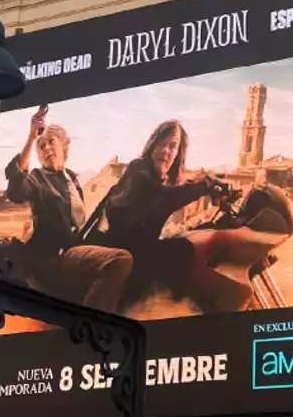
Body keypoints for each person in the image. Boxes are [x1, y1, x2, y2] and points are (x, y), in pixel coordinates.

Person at [0, 107, 134, 312]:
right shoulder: (38, 177)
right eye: (41, 146)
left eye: (50, 142)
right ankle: (90, 321)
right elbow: (16, 190)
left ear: (63, 145)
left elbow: (80, 228)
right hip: (54, 257)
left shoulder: (72, 180)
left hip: (74, 250)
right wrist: (32, 136)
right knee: (121, 260)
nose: (46, 148)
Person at [95, 120, 221, 310]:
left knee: (187, 243)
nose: (166, 151)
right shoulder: (138, 169)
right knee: (182, 250)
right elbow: (163, 198)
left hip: (138, 254)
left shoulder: (158, 180)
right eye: (162, 143)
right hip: (122, 256)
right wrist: (206, 184)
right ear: (153, 144)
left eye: (173, 146)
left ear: (178, 154)